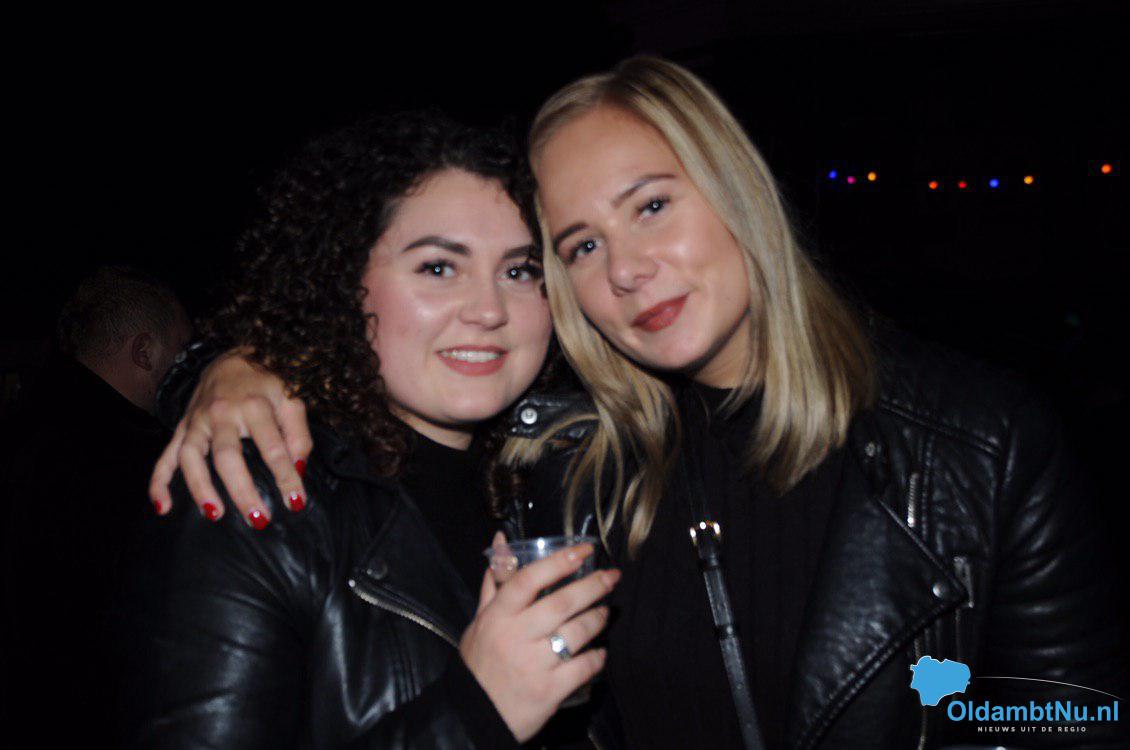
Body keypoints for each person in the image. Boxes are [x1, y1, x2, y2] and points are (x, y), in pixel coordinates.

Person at [149, 60, 1127, 749]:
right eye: (579, 245)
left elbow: (1071, 715)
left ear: (735, 190)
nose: (625, 268)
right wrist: (237, 363)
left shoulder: (977, 442)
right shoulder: (569, 464)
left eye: (651, 205)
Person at [129, 112, 616, 747]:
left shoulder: (559, 475)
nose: (489, 310)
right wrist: (474, 715)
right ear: (341, 281)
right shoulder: (259, 492)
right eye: (438, 268)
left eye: (520, 271)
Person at [0, 265, 192, 742]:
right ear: (145, 351)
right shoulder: (135, 463)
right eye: (182, 352)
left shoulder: (20, 428)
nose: (190, 371)